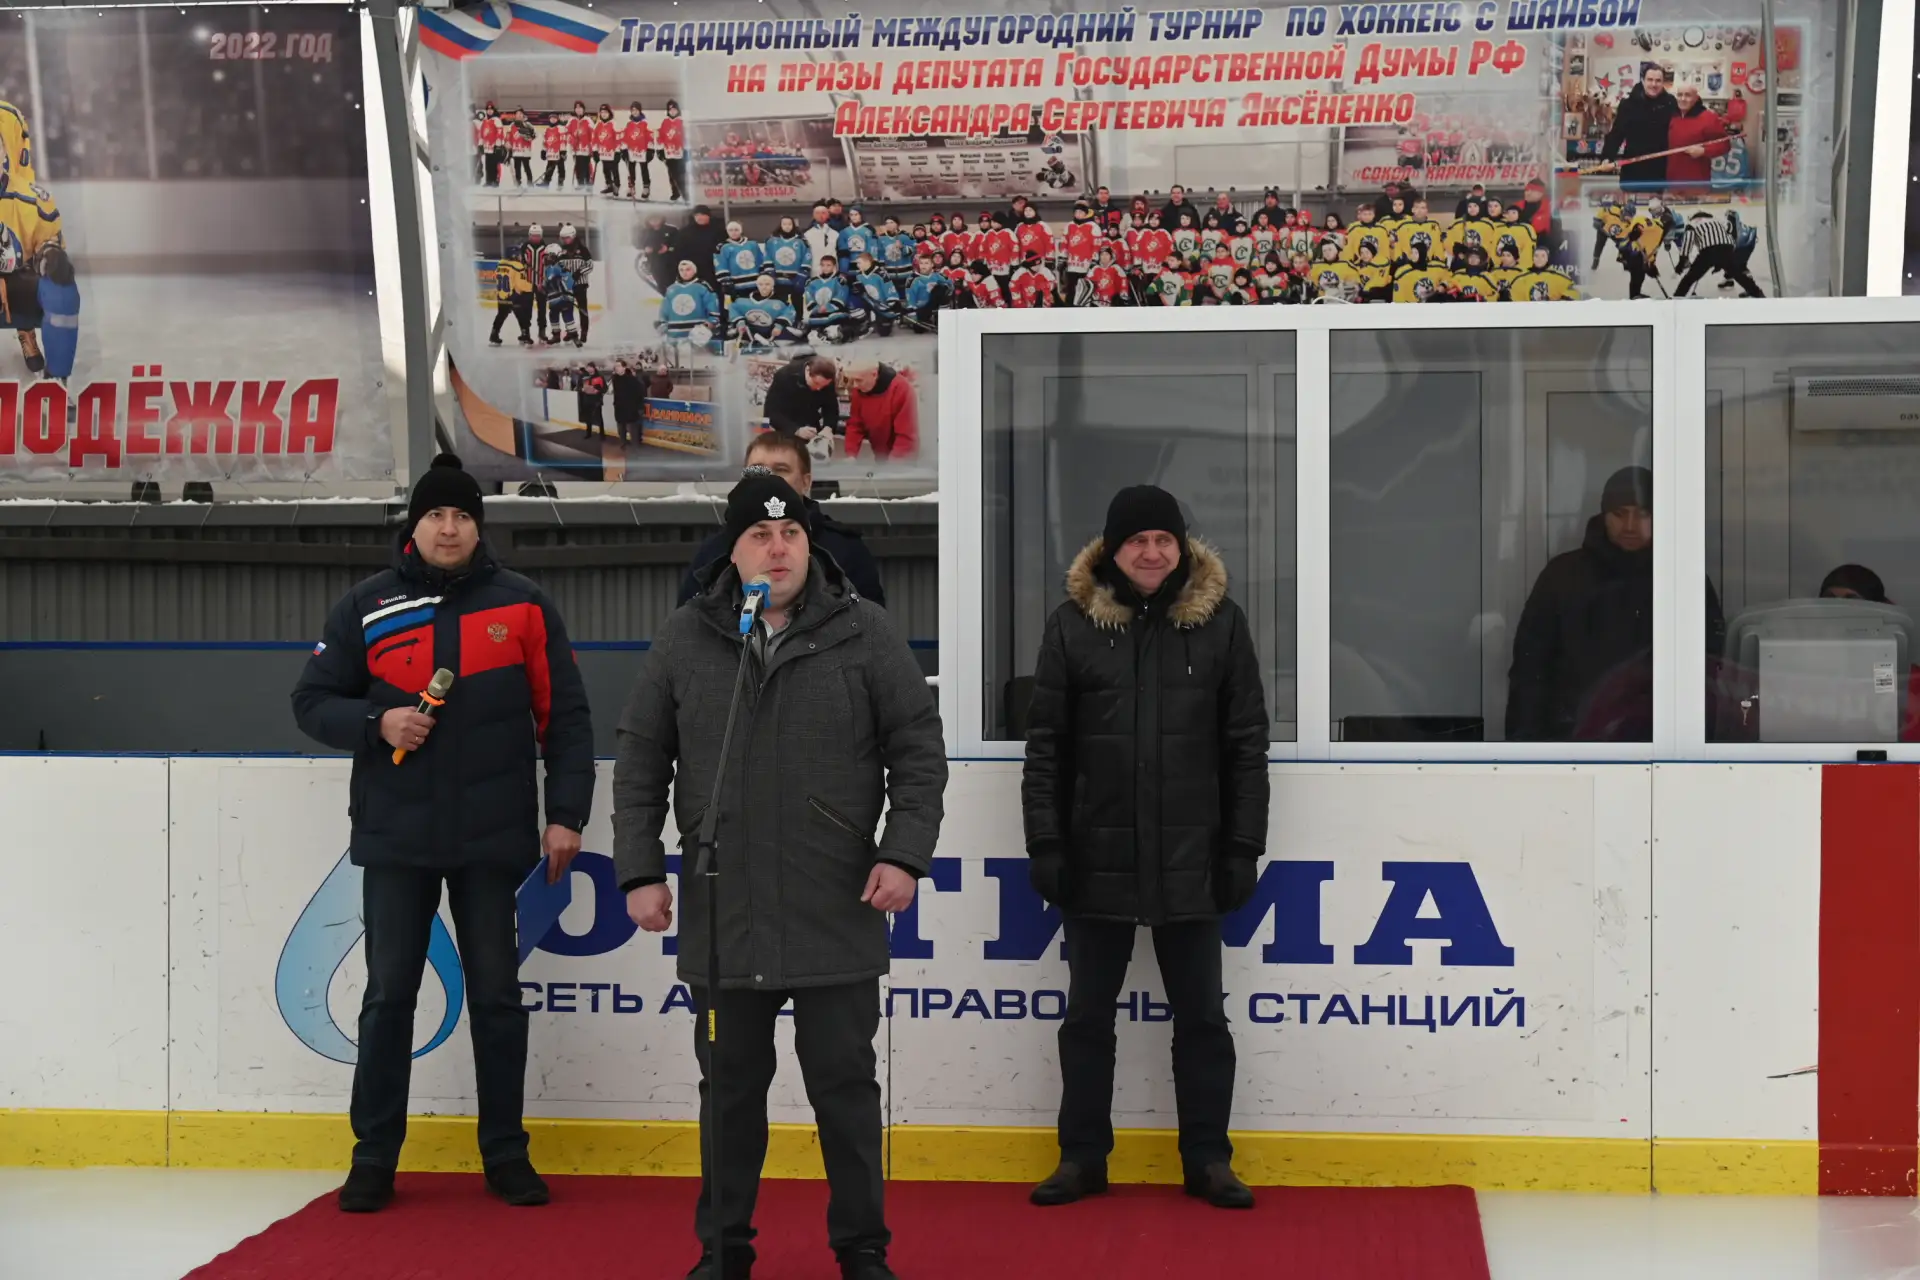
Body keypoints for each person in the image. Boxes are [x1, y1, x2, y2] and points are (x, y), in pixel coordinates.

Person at [616, 472, 946, 1280]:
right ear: (732, 552)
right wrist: (639, 871)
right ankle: (724, 1251)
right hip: (725, 909)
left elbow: (918, 751)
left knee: (846, 1090)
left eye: (791, 533)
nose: (778, 548)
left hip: (835, 901)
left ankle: (862, 1250)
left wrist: (903, 853)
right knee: (729, 1095)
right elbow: (640, 761)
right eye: (760, 536)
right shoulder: (686, 637)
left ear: (809, 544)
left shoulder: (864, 631)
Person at [291, 453, 593, 1214]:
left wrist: (566, 815)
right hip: (397, 838)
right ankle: (373, 1158)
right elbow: (311, 701)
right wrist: (378, 720)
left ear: (479, 527)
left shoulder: (524, 605)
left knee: (497, 997)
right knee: (388, 997)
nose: (449, 527)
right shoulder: (367, 605)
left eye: (461, 515)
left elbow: (566, 719)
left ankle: (506, 1153)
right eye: (435, 514)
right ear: (414, 525)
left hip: (493, 840)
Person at [1022, 485, 1269, 1212]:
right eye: (1138, 541)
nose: (1153, 553)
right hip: (1093, 856)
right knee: (1086, 1020)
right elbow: (1046, 748)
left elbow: (1246, 746)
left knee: (1203, 1020)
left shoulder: (1221, 626)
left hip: (1193, 858)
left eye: (1165, 540)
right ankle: (1082, 1157)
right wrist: (1046, 841)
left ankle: (1208, 1159)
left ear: (1182, 548)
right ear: (1113, 550)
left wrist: (1241, 846)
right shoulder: (1072, 628)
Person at [1507, 466, 1655, 742]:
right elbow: (1530, 670)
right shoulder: (1562, 576)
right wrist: (1526, 747)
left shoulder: (1678, 581)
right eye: (1619, 513)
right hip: (1569, 742)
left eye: (1643, 513)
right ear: (1604, 515)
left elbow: (1707, 673)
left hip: (1660, 743)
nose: (1630, 525)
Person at [676, 434, 886, 606]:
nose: (768, 479)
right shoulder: (715, 551)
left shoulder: (845, 551)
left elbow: (872, 632)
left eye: (781, 470)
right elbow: (686, 630)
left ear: (806, 482)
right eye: (758, 470)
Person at [1601, 64, 1679, 190]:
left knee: (1656, 202)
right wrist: (1607, 157)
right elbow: (1616, 133)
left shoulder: (1670, 103)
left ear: (1663, 82)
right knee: (1630, 203)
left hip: (1660, 170)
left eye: (1658, 81)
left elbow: (1679, 130)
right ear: (1643, 80)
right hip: (1633, 169)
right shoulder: (1628, 104)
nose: (1654, 84)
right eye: (1650, 80)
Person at [1674, 210, 1765, 298]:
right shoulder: (1717, 220)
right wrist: (1721, 260)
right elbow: (1730, 230)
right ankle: (1758, 293)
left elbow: (1688, 241)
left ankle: (1677, 297)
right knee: (1739, 275)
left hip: (1708, 250)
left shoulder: (1692, 224)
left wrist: (1682, 261)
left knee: (1690, 277)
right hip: (1727, 247)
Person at [843, 361, 917, 462]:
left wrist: (893, 464)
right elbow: (855, 424)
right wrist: (851, 454)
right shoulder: (860, 389)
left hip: (903, 459)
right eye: (852, 380)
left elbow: (905, 435)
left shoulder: (902, 389)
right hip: (880, 455)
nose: (855, 385)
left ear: (874, 375)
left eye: (858, 380)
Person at [1664, 84, 1731, 192]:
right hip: (1672, 183)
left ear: (1696, 98)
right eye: (1680, 95)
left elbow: (1725, 145)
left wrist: (1704, 151)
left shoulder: (1708, 118)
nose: (1683, 99)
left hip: (1697, 184)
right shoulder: (1672, 116)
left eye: (1687, 95)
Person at [764, 352, 839, 442]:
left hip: (811, 427)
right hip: (786, 428)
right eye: (816, 383)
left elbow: (831, 407)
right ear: (807, 370)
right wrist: (796, 430)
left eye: (823, 386)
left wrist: (828, 427)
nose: (819, 388)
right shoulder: (784, 376)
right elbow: (771, 412)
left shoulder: (826, 380)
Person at [658, 99, 687, 201]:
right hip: (669, 153)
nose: (672, 112)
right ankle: (675, 192)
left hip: (679, 153)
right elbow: (661, 137)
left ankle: (684, 191)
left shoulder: (681, 122)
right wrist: (660, 150)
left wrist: (686, 150)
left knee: (681, 173)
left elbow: (685, 137)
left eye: (674, 109)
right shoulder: (665, 122)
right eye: (670, 110)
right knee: (672, 174)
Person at [611, 359, 642, 447]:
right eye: (615, 366)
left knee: (632, 428)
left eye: (618, 366)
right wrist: (615, 403)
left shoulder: (632, 379)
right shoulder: (615, 379)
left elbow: (639, 393)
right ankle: (623, 442)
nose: (616, 368)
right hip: (619, 407)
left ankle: (635, 444)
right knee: (621, 427)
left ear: (624, 367)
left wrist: (639, 407)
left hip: (630, 407)